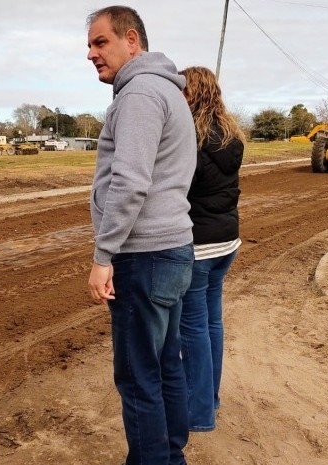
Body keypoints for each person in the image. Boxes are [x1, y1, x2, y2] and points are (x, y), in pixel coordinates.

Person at [85, 6, 197, 465]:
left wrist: (103, 253)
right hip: (171, 251)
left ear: (132, 40)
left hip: (143, 255)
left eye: (100, 42)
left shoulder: (139, 95)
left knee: (137, 377)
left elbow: (130, 182)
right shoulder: (166, 92)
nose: (92, 54)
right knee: (166, 363)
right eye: (89, 46)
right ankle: (172, 455)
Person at [176, 66, 245, 432]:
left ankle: (199, 413)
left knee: (193, 329)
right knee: (211, 323)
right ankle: (211, 398)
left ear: (191, 94)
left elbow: (180, 191)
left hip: (199, 246)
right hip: (227, 242)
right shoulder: (232, 135)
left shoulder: (192, 137)